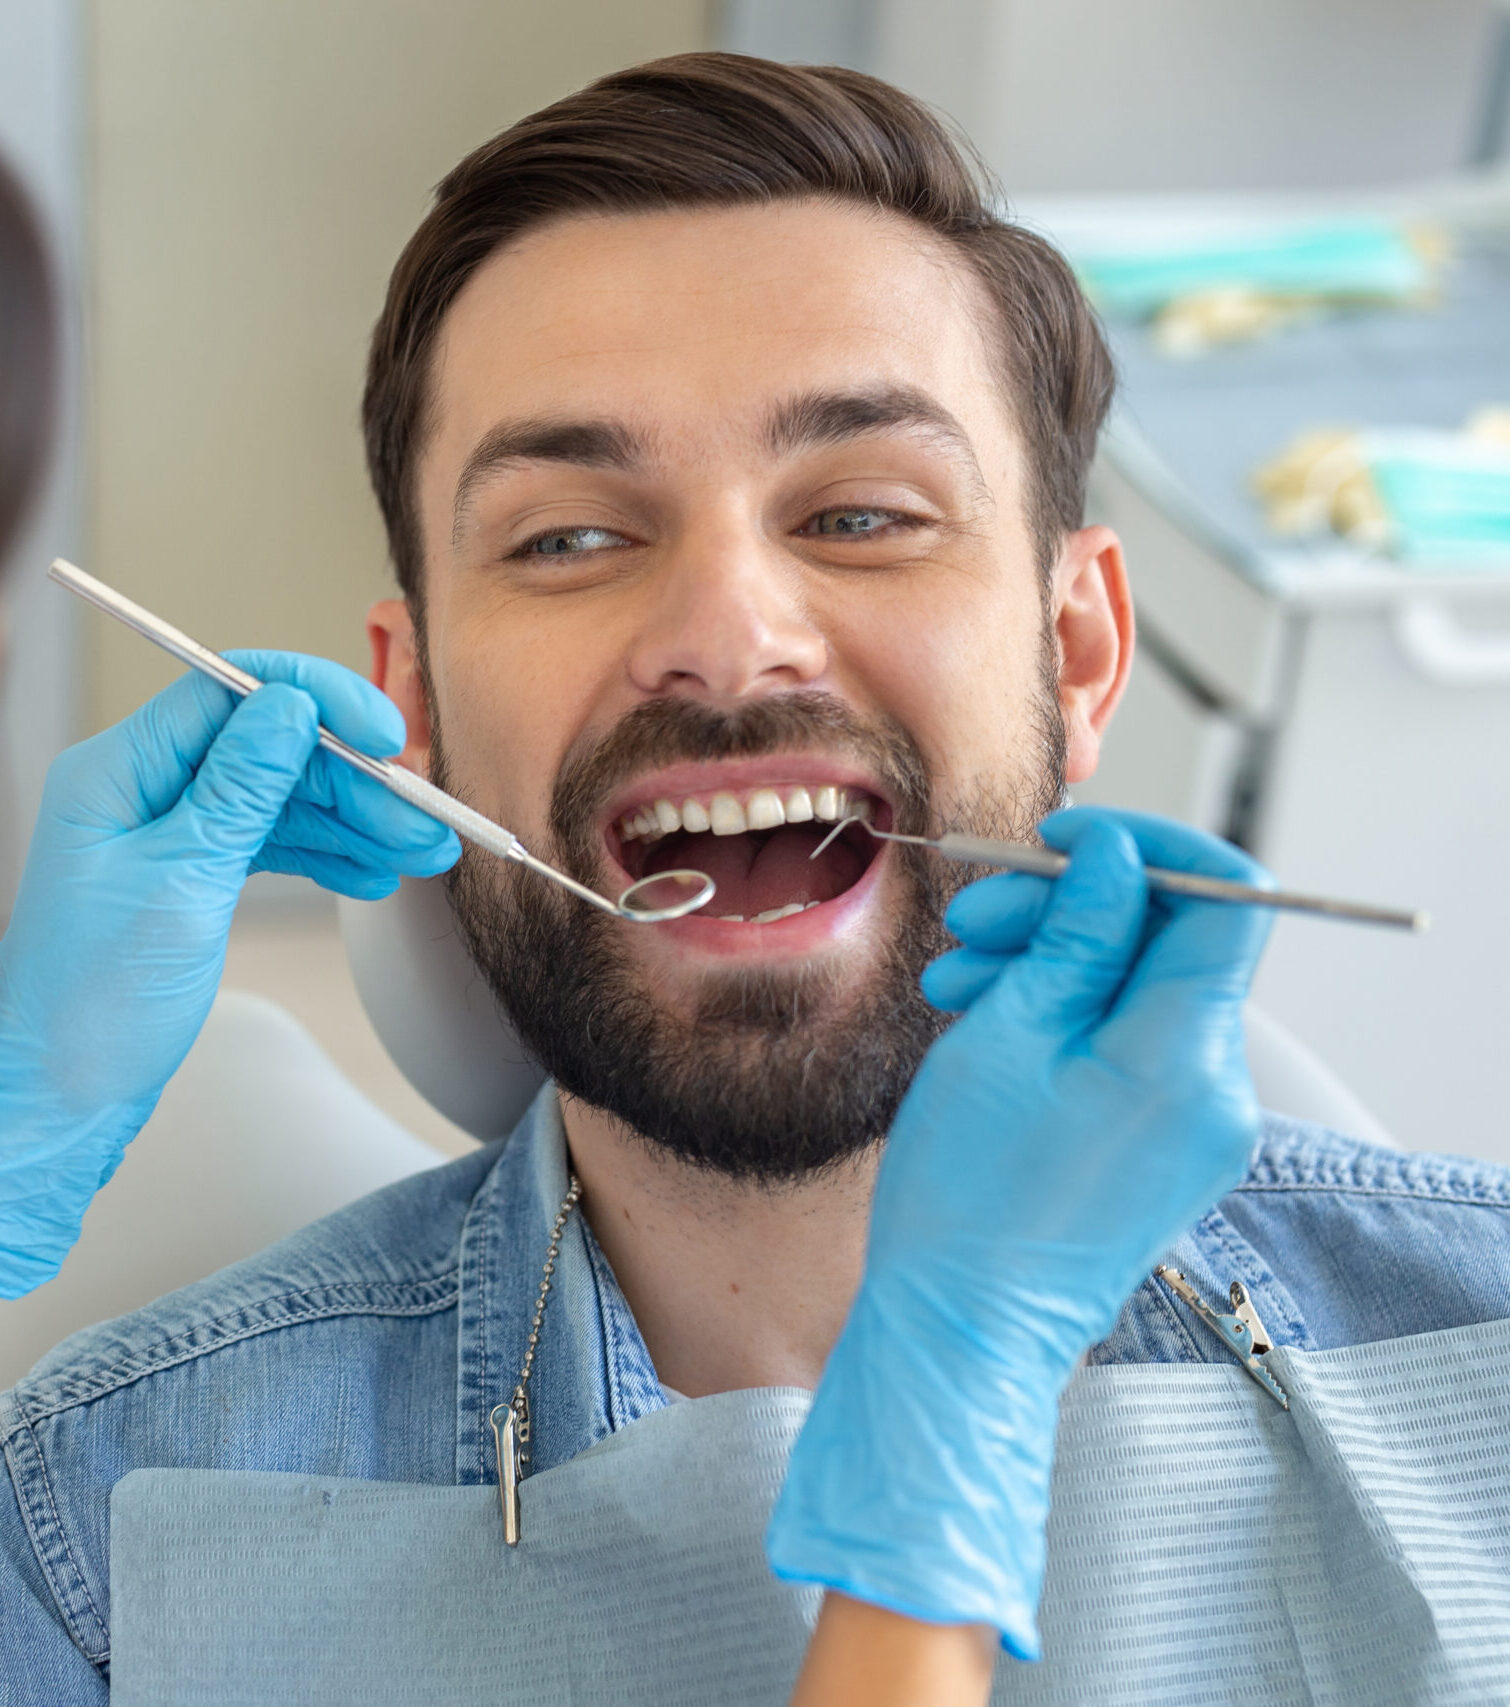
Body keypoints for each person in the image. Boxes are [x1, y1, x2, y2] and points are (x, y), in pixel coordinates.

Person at [2, 55, 1509, 1704]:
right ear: (412, 707)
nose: (722, 635)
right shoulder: (105, 1535)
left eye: (861, 514)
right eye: (568, 537)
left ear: (1075, 651)